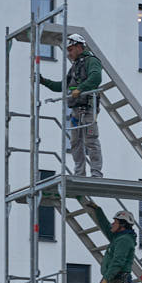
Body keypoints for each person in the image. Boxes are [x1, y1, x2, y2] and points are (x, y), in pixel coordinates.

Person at [39, 33, 104, 178]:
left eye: (70, 49)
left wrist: (80, 89)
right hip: (76, 111)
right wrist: (44, 81)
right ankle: (79, 173)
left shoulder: (91, 61)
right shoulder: (75, 67)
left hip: (88, 108)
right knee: (75, 143)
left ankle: (96, 174)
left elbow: (96, 78)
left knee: (91, 141)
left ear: (79, 47)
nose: (69, 53)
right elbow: (62, 86)